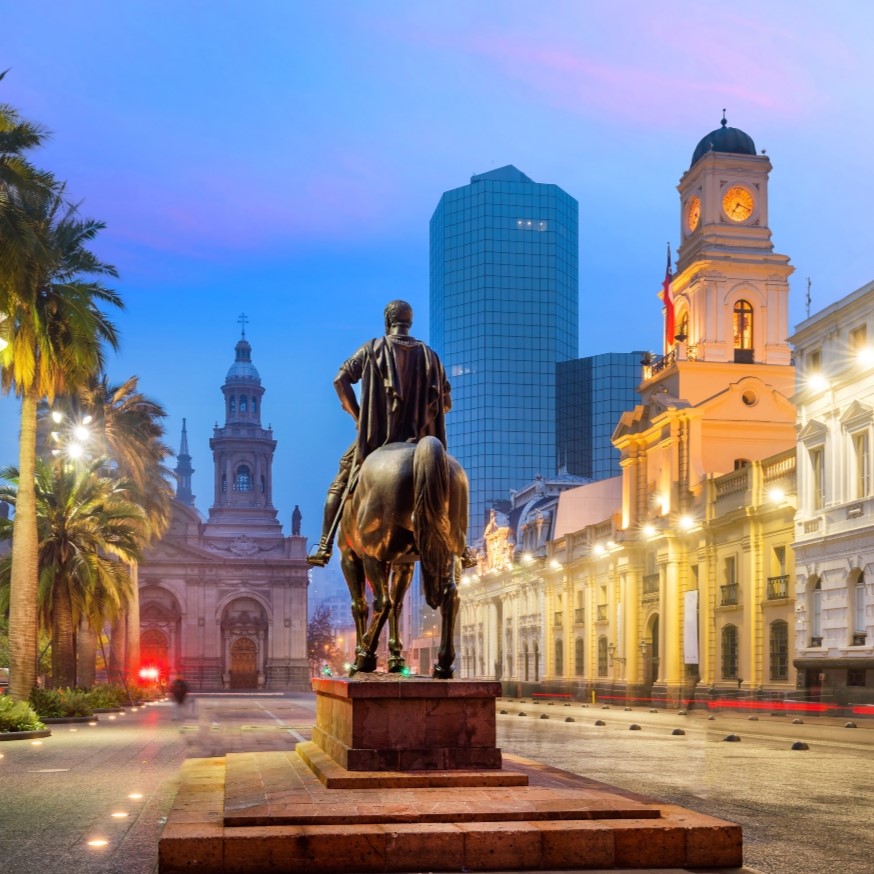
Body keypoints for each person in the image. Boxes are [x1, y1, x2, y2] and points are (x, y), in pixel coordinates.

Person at [307, 299, 454, 567]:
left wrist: (359, 416)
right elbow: (445, 403)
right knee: (446, 484)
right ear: (409, 322)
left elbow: (340, 380)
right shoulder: (431, 355)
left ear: (388, 321)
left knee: (340, 482)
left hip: (377, 440)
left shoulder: (371, 348)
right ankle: (460, 544)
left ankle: (325, 544)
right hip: (421, 439)